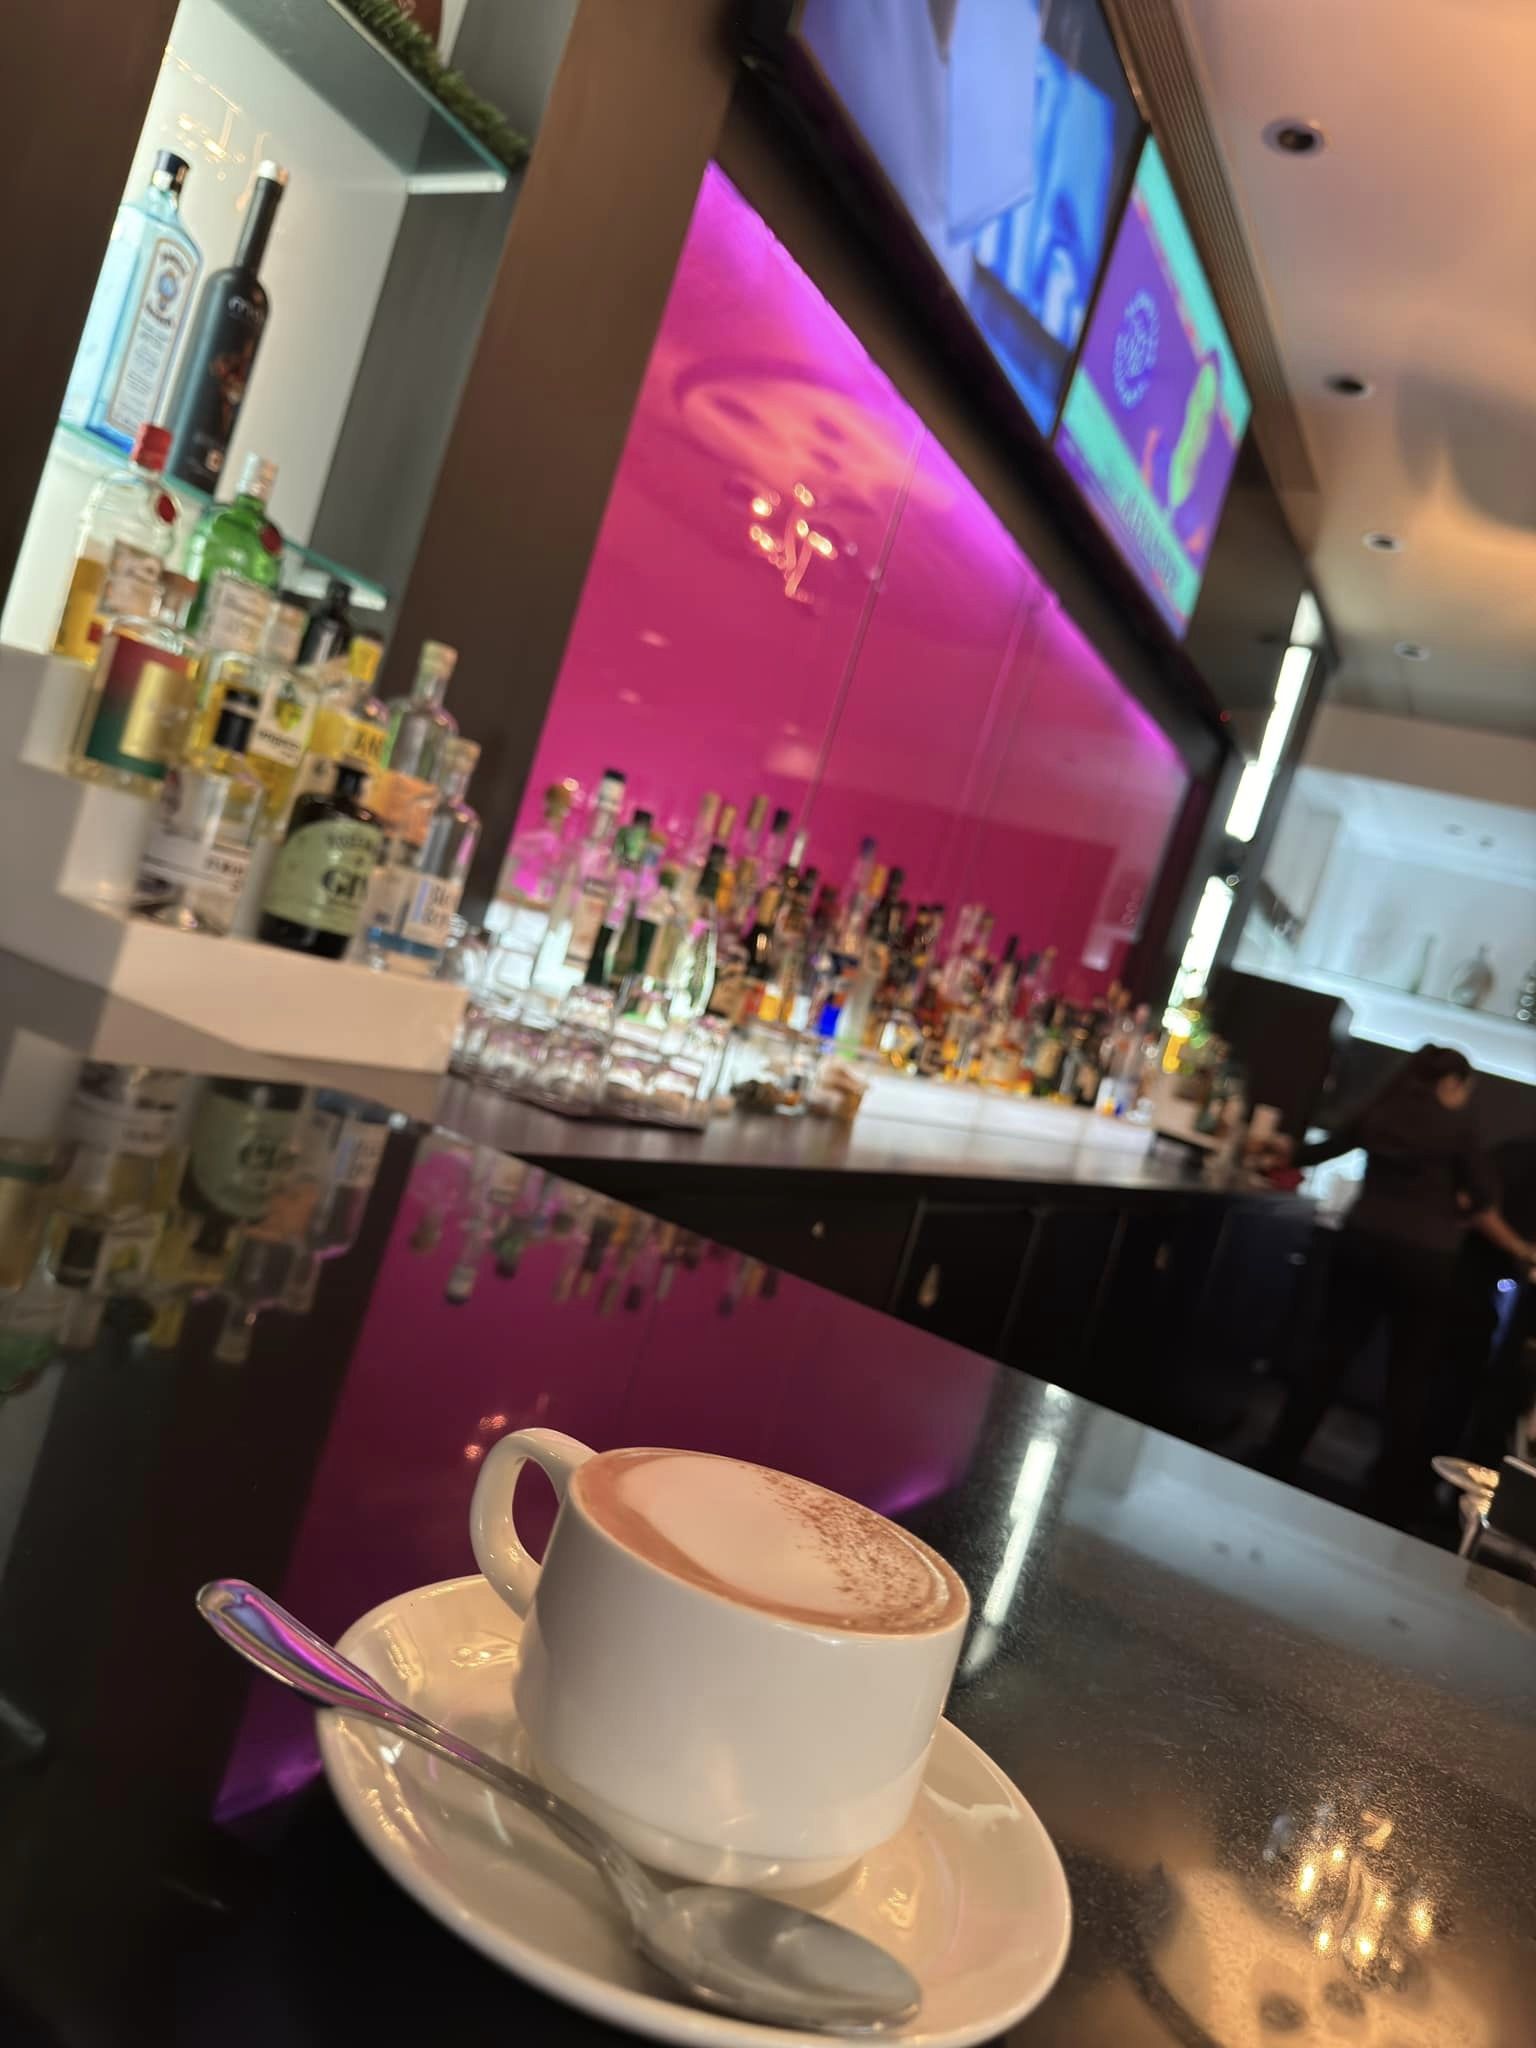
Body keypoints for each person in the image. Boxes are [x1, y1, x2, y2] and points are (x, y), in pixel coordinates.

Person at [1256, 1046, 1536, 1522]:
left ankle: (1280, 1456)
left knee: (1327, 1357)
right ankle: (1387, 1496)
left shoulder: (1379, 1111)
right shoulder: (1458, 1128)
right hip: (1426, 1262)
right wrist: (1460, 1212)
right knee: (1408, 1381)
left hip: (1361, 1243)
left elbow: (1320, 1150)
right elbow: (1483, 1196)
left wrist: (1278, 1152)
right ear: (1451, 1084)